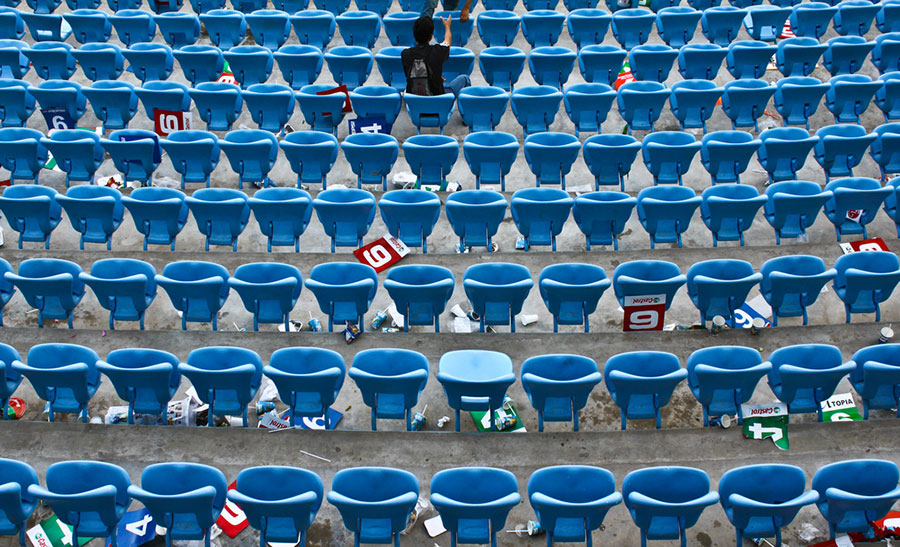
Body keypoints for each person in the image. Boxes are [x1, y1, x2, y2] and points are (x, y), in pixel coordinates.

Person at [401, 16, 471, 98]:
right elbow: (447, 41)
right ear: (431, 36)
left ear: (414, 35)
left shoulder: (405, 54)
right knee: (465, 78)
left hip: (414, 100)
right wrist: (447, 26)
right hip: (439, 100)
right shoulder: (438, 51)